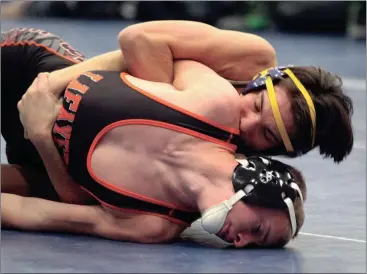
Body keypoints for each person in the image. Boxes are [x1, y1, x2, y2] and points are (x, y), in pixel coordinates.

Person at [2, 27, 306, 248]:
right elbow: (133, 47)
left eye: (253, 244)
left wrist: (42, 134)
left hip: (42, 157)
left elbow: (37, 214)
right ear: (259, 183)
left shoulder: (154, 227)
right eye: (257, 229)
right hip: (29, 74)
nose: (240, 242)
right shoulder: (215, 104)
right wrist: (48, 86)